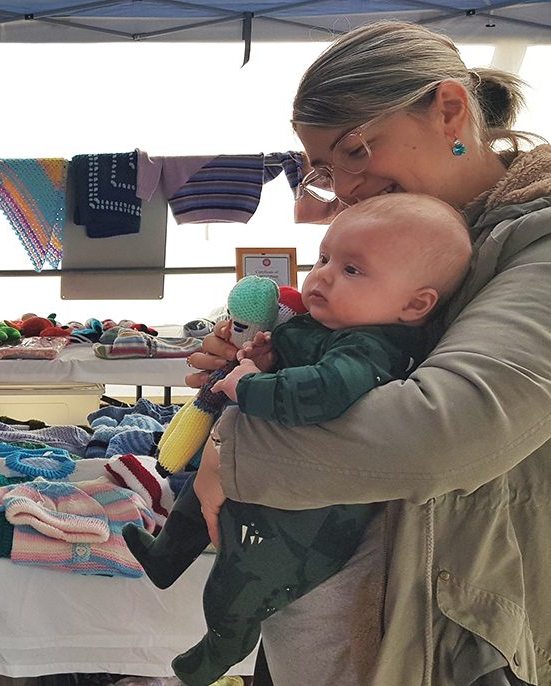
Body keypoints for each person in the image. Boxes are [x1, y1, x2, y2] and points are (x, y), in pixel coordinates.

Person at [184, 21, 551, 686]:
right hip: (341, 589)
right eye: (325, 168)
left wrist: (233, 448)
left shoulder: (538, 245)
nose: (346, 187)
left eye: (356, 151)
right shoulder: (410, 240)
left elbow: (443, 431)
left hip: (460, 634)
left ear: (447, 109)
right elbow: (361, 374)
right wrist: (263, 361)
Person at [123, 193, 471, 686]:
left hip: (303, 511)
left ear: (415, 304)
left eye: (353, 270)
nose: (323, 275)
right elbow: (291, 354)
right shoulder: (326, 323)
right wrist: (264, 354)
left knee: (244, 581)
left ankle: (220, 648)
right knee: (190, 502)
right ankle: (165, 556)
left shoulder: (372, 347)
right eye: (324, 258)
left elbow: (319, 394)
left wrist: (247, 384)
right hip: (264, 471)